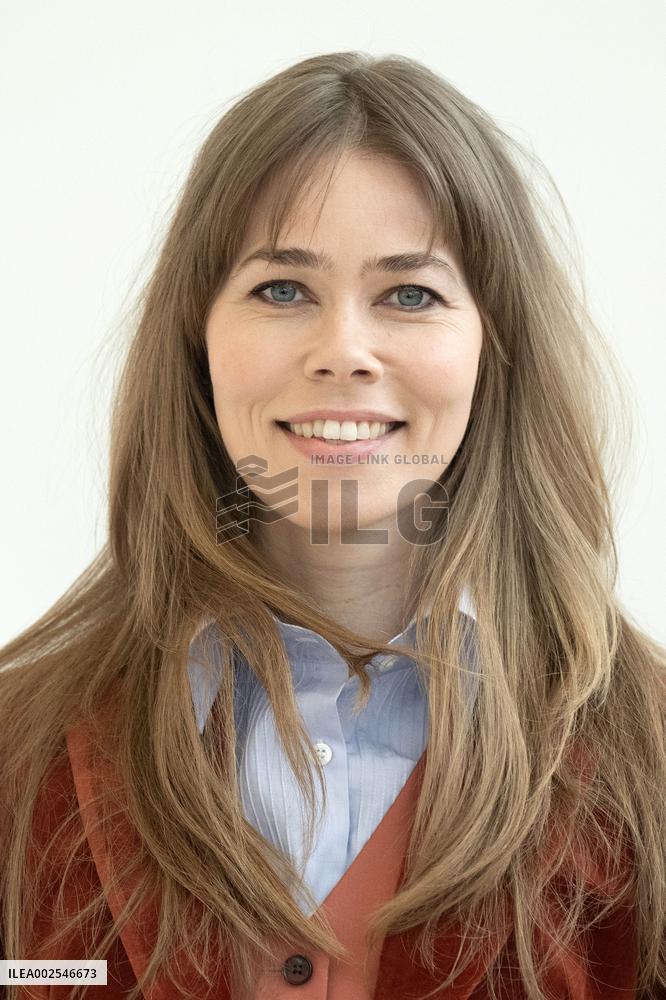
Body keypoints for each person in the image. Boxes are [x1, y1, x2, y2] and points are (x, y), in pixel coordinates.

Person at [0, 51, 664, 1000]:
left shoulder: (651, 759)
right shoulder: (15, 746)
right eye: (281, 290)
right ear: (198, 336)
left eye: (410, 294)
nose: (343, 351)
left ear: (494, 346)